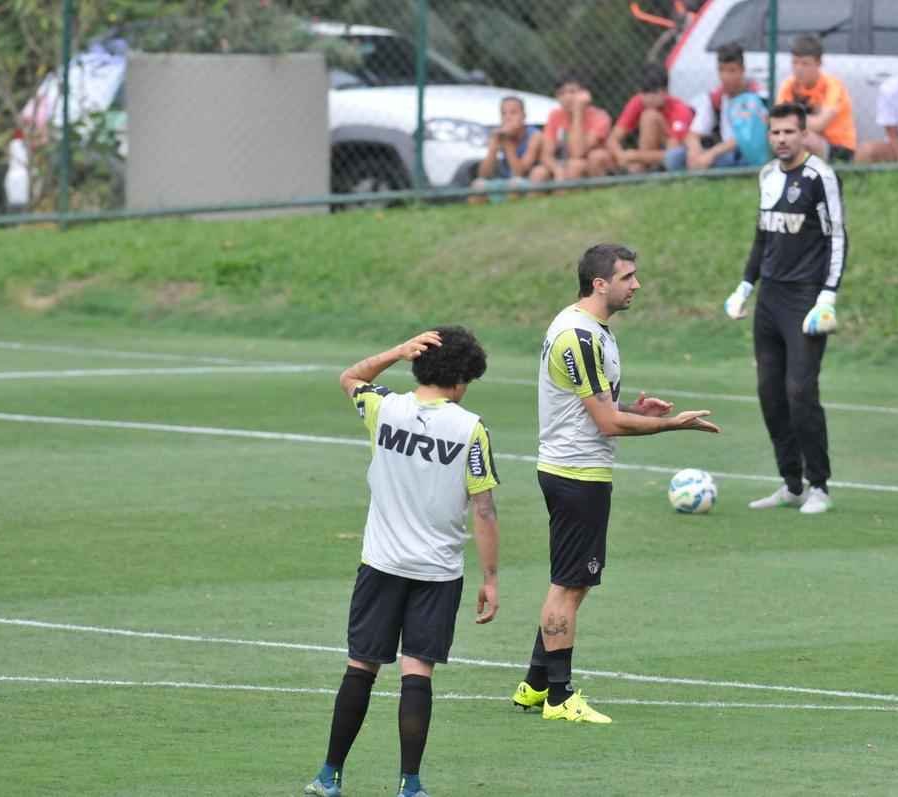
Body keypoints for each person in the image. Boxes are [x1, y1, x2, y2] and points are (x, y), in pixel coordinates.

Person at [510, 243, 721, 724]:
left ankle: (534, 685)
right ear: (600, 283)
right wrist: (673, 425)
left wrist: (637, 413)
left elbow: (598, 411)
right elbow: (604, 422)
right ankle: (560, 698)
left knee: (572, 583)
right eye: (628, 277)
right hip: (575, 473)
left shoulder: (588, 329)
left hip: (577, 469)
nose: (637, 285)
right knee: (568, 585)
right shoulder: (579, 337)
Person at [304, 328, 501, 797]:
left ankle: (329, 776)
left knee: (361, 666)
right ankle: (409, 785)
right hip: (437, 573)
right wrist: (491, 577)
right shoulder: (470, 428)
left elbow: (350, 376)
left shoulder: (383, 407)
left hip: (381, 564)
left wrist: (397, 350)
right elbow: (485, 509)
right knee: (418, 672)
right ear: (463, 377)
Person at [722, 104, 847, 515]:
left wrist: (828, 295)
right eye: (775, 132)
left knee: (800, 392)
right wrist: (745, 285)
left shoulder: (820, 177)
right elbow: (762, 238)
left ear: (803, 134)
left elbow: (837, 238)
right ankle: (791, 483)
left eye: (789, 132)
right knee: (769, 394)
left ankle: (820, 486)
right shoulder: (767, 176)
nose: (781, 139)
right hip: (770, 300)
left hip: (805, 300)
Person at [682, 42, 765, 170]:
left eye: (731, 71)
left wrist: (711, 154)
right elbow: (693, 134)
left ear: (742, 70)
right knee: (675, 157)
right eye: (721, 70)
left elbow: (743, 138)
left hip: (745, 150)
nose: (726, 76)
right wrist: (695, 151)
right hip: (722, 150)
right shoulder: (716, 98)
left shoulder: (756, 96)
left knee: (730, 158)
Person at [776, 35, 857, 162]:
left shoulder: (832, 86)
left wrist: (789, 118)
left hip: (838, 147)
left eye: (805, 64)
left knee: (803, 138)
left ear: (818, 63)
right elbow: (777, 121)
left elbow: (820, 124)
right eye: (795, 62)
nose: (798, 69)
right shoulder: (788, 85)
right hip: (804, 136)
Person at [606, 62, 695, 174]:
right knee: (648, 116)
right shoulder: (638, 101)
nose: (647, 98)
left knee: (650, 116)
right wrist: (621, 156)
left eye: (653, 93)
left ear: (665, 92)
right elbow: (613, 139)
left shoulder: (680, 109)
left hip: (679, 158)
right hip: (649, 155)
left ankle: (643, 169)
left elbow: (674, 153)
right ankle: (643, 169)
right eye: (644, 92)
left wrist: (635, 156)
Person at [531, 71, 614, 185]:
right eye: (561, 93)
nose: (567, 97)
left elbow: (578, 152)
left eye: (572, 92)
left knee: (576, 165)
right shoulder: (555, 116)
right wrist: (557, 170)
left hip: (590, 164)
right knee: (538, 172)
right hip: (566, 163)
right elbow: (546, 155)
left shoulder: (600, 117)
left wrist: (578, 112)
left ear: (585, 94)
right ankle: (540, 202)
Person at [470, 96, 541, 203]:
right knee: (478, 185)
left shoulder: (534, 136)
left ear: (524, 116)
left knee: (515, 184)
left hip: (527, 183)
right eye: (504, 113)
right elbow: (484, 174)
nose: (508, 118)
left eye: (513, 113)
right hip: (504, 181)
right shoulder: (500, 136)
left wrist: (507, 144)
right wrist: (493, 148)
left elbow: (520, 173)